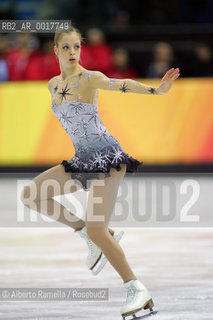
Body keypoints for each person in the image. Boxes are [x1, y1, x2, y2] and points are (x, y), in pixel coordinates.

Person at [20, 25, 180, 319]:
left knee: (98, 228)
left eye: (76, 47)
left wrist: (157, 90)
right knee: (32, 195)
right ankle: (86, 233)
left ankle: (136, 288)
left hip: (106, 158)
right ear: (55, 50)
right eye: (66, 47)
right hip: (82, 160)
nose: (72, 52)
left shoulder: (90, 78)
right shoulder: (52, 84)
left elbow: (122, 84)